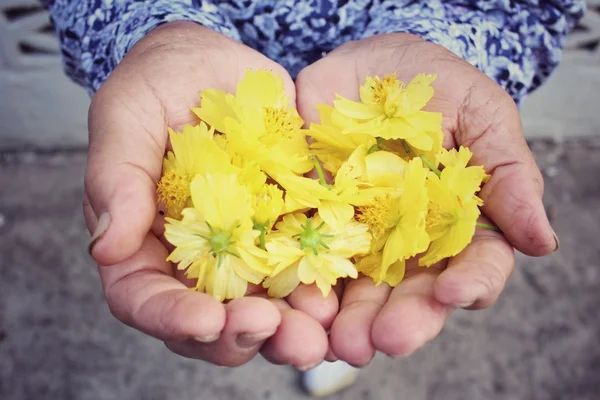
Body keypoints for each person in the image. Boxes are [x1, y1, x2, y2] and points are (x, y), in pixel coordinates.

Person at [42, 0, 585, 396]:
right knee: (260, 314)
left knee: (333, 304)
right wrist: (150, 29)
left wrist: (445, 39)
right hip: (215, 74)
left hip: (407, 51)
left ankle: (323, 351)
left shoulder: (403, 145)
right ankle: (310, 351)